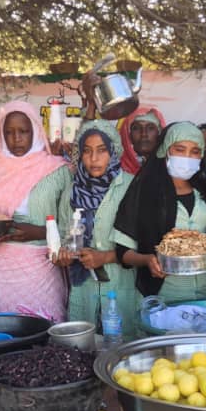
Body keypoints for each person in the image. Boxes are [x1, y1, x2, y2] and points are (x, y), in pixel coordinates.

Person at [0, 101, 70, 321]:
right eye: (9, 132)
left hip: (43, 266)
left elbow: (69, 227)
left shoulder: (56, 168)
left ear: (35, 130)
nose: (16, 139)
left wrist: (38, 232)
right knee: (4, 332)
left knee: (47, 332)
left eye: (23, 131)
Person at [114, 121, 206, 302]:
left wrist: (205, 254)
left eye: (195, 152)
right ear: (166, 151)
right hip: (163, 295)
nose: (187, 157)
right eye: (180, 150)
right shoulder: (146, 192)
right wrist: (148, 260)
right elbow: (123, 251)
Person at [53, 121, 137, 337]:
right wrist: (64, 254)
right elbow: (65, 235)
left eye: (101, 151)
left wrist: (106, 257)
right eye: (87, 151)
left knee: (122, 352)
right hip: (84, 289)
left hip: (122, 286)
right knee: (84, 350)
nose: (93, 159)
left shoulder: (131, 187)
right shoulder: (72, 191)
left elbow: (145, 243)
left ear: (114, 152)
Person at [118, 105, 166, 174]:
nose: (144, 134)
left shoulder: (169, 169)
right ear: (128, 135)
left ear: (159, 133)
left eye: (150, 128)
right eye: (136, 128)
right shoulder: (115, 172)